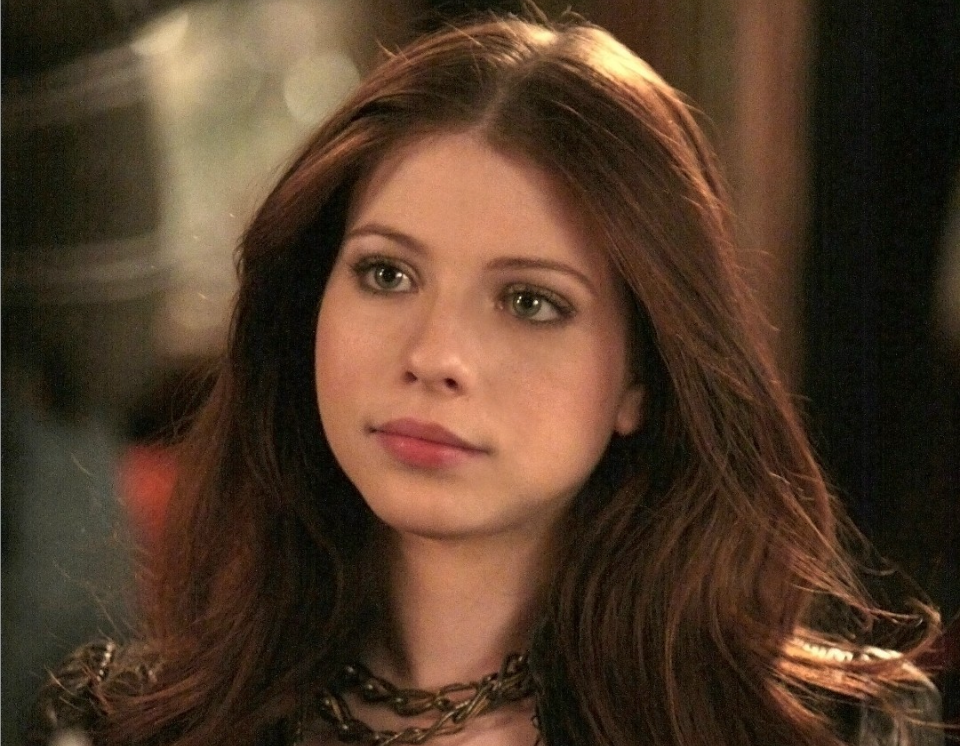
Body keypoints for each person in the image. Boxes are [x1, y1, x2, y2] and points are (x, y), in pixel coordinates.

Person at [28, 14, 942, 746]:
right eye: (387, 274)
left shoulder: (831, 732)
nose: (436, 355)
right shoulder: (123, 726)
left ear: (644, 379)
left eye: (530, 302)